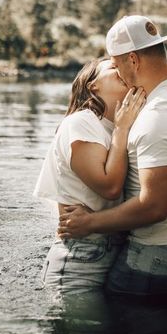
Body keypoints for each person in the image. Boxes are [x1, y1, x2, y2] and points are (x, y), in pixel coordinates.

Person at [58, 15, 167, 296]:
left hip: (160, 257)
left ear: (133, 60)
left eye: (117, 65)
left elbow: (154, 207)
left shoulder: (158, 116)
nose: (118, 73)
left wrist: (88, 222)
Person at [33, 57, 145, 295]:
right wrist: (122, 128)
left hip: (113, 252)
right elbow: (110, 187)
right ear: (93, 85)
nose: (121, 68)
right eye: (113, 66)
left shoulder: (114, 128)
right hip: (79, 257)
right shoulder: (82, 121)